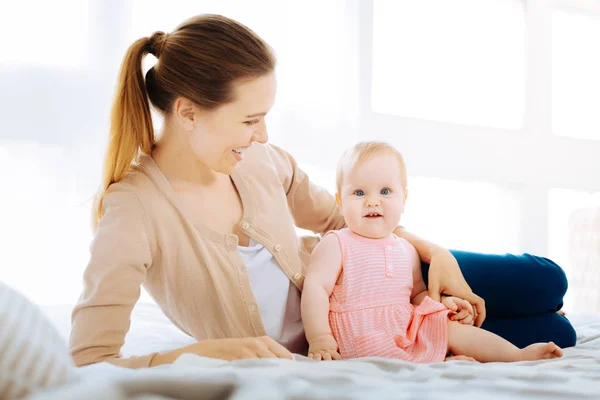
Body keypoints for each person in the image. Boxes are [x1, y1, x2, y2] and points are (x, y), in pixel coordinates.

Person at [69, 14, 573, 369]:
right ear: (187, 112)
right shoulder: (132, 211)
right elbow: (91, 360)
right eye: (250, 120)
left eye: (265, 118)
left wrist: (432, 251)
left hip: (387, 276)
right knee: (558, 335)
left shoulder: (258, 161)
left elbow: (342, 222)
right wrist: (197, 354)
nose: (263, 135)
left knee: (545, 282)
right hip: (359, 338)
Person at [301, 142, 564, 362]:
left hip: (404, 329)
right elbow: (315, 289)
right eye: (359, 192)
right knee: (435, 334)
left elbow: (416, 294)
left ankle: (515, 356)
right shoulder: (337, 243)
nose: (373, 200)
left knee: (450, 328)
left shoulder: (406, 248)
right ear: (339, 201)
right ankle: (443, 358)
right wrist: (320, 339)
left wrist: (442, 304)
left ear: (404, 199)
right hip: (362, 334)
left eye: (385, 191)